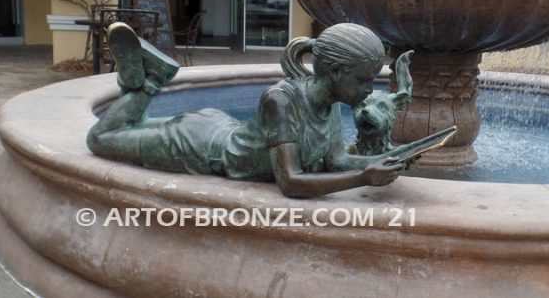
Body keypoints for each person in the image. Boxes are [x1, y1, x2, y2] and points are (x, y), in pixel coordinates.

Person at [87, 22, 407, 198]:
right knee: (102, 138)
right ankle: (151, 81)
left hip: (217, 127)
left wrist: (388, 159)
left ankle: (141, 77)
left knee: (136, 125)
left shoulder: (330, 103)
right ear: (336, 73)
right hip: (197, 146)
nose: (370, 88)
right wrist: (364, 178)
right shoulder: (281, 100)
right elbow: (291, 182)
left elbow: (335, 160)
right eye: (364, 79)